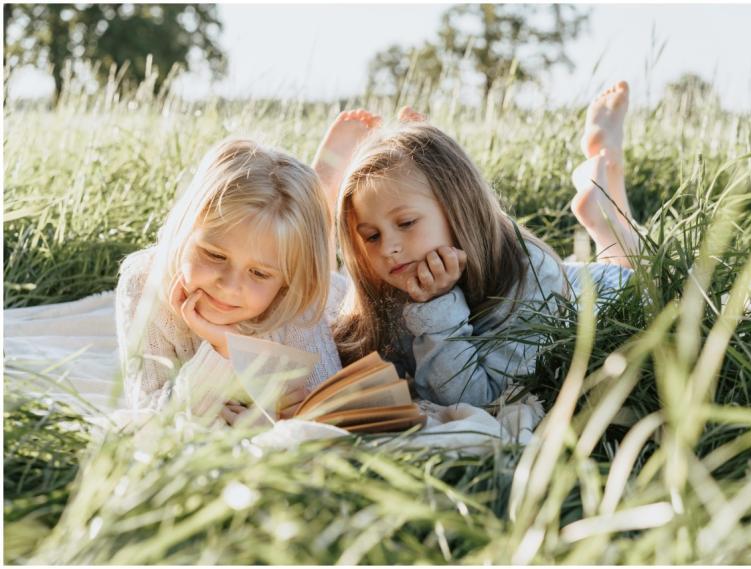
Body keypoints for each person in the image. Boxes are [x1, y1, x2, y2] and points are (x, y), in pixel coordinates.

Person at [315, 82, 641, 408]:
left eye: (406, 223)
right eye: (372, 236)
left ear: (459, 206)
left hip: (597, 294)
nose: (388, 248)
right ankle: (317, 209)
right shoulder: (389, 280)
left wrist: (436, 304)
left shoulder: (531, 276)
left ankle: (607, 191)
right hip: (563, 275)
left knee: (634, 271)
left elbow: (475, 399)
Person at [116, 138, 343, 424]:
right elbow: (147, 408)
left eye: (259, 273)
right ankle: (324, 195)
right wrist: (221, 349)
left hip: (336, 291)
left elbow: (327, 402)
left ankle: (327, 198)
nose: (230, 286)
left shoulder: (298, 296)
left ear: (286, 282)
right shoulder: (143, 282)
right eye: (215, 255)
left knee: (334, 279)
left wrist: (234, 353)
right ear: (185, 230)